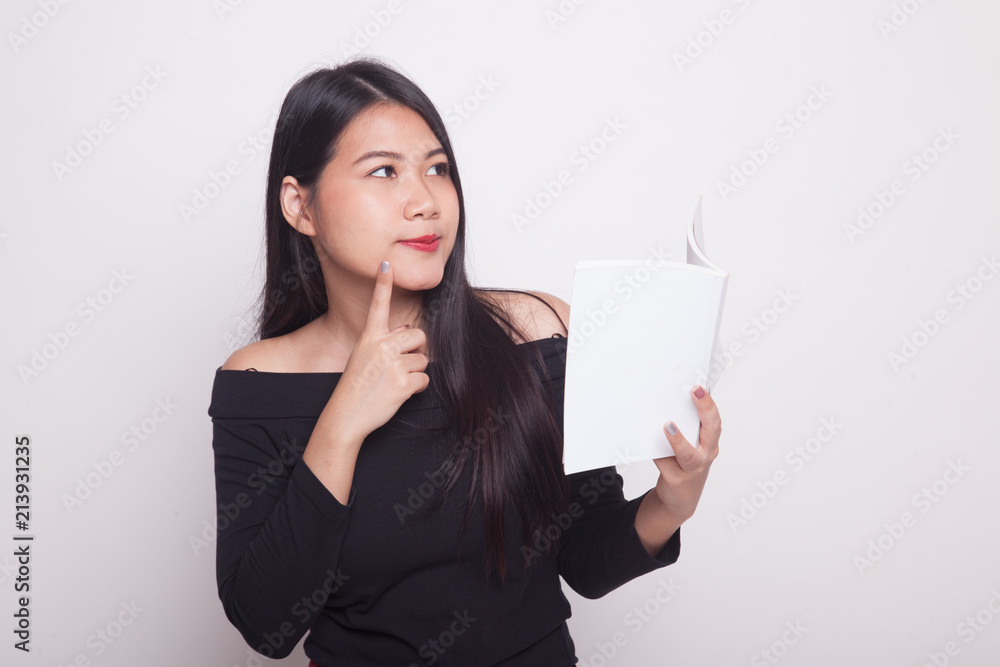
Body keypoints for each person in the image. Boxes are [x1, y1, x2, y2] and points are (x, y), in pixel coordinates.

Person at [208, 56, 721, 667]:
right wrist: (342, 422)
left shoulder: (537, 332)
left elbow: (585, 561)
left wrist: (672, 502)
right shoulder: (259, 379)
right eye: (384, 171)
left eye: (437, 169)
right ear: (300, 206)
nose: (426, 201)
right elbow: (266, 624)